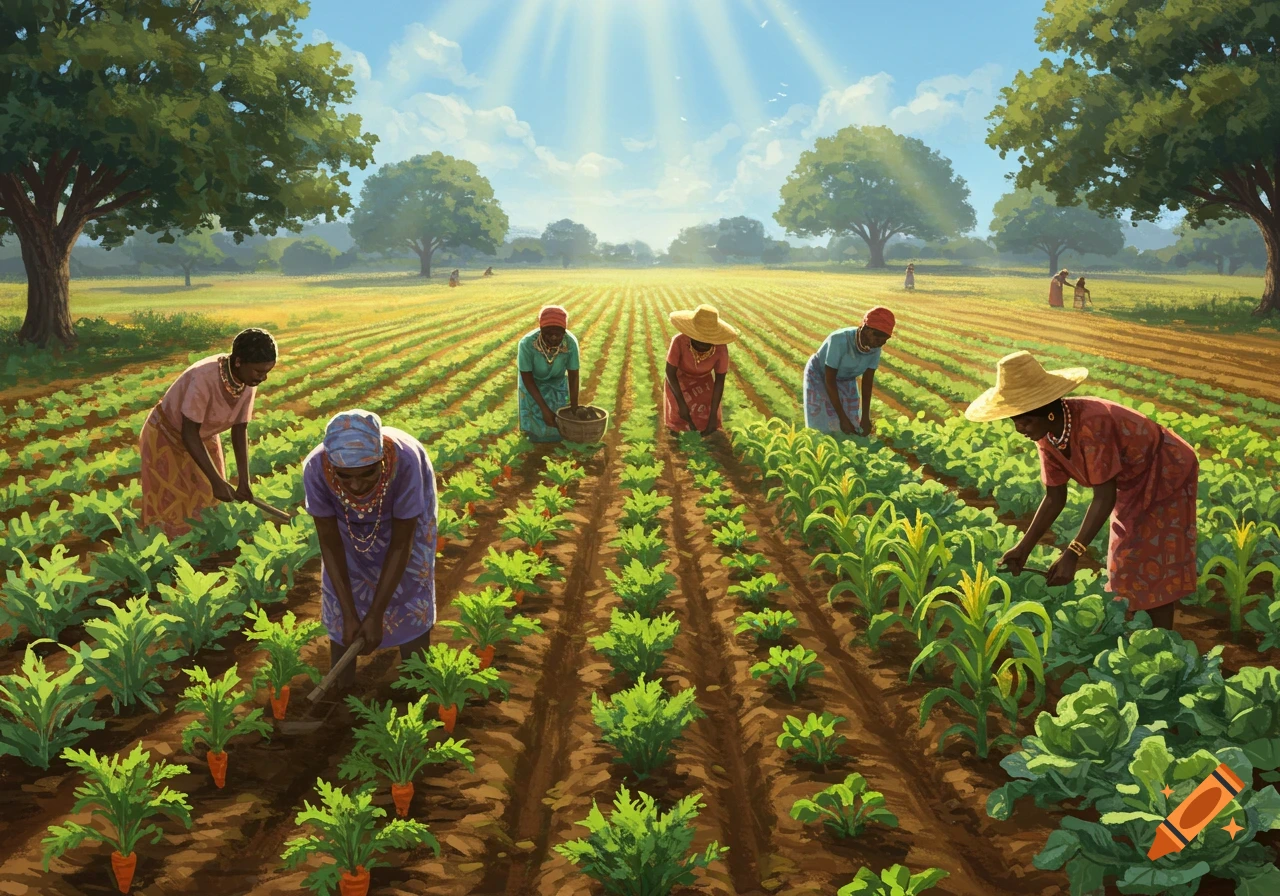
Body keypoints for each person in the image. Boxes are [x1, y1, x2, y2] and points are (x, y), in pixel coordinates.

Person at [965, 351, 1198, 631]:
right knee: (1126, 556)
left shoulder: (1091, 423)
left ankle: (1162, 635)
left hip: (1165, 470)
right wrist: (1023, 548)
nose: (1019, 429)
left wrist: (1073, 553)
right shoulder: (1047, 435)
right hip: (1131, 477)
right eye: (1014, 421)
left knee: (1148, 552)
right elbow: (1054, 497)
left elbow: (1104, 496)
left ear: (1047, 411)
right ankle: (1139, 629)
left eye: (1024, 421)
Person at [302, 410, 436, 686]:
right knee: (343, 598)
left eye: (367, 474)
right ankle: (343, 690)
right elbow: (329, 543)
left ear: (381, 460)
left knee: (410, 586)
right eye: (345, 476)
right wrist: (350, 614)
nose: (356, 485)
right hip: (347, 523)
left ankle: (416, 681)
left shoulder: (406, 462)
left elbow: (402, 543)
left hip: (404, 526)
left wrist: (375, 616)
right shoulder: (316, 469)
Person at [139, 328, 277, 537]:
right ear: (239, 362)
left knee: (206, 504)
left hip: (203, 436)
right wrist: (217, 481)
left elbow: (240, 430)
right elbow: (189, 433)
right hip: (166, 436)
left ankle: (201, 549)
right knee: (172, 505)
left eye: (267, 371)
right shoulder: (204, 376)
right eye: (259, 371)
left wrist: (244, 481)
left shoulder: (248, 380)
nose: (263, 377)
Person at [803, 306, 894, 435]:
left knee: (853, 422)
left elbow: (867, 384)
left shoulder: (875, 349)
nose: (881, 342)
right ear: (865, 328)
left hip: (846, 378)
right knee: (822, 424)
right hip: (820, 374)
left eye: (885, 339)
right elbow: (830, 381)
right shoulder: (839, 340)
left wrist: (865, 417)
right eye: (878, 336)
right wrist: (842, 418)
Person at [664, 304, 737, 436]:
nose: (702, 345)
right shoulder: (679, 341)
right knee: (679, 421)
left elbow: (719, 381)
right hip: (679, 382)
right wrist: (681, 404)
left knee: (706, 420)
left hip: (704, 382)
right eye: (698, 340)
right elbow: (670, 373)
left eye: (707, 342)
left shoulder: (720, 349)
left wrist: (713, 415)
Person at [517, 305, 581, 442]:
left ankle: (555, 446)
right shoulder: (527, 344)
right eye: (548, 333)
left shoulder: (570, 343)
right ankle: (534, 447)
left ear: (564, 332)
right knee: (536, 426)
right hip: (533, 384)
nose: (553, 337)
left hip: (557, 382)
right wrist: (545, 410)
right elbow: (527, 378)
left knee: (558, 423)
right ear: (541, 330)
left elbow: (573, 375)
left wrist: (574, 406)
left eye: (558, 333)